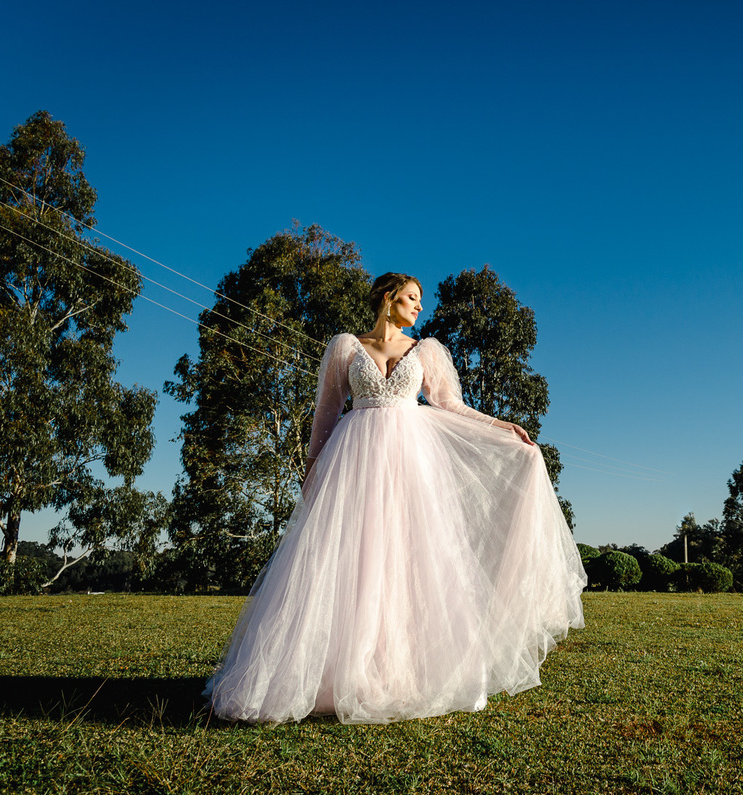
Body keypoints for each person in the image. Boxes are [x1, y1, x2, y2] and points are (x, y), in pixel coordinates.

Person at [204, 272, 586, 724]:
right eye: (411, 298)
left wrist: (502, 427)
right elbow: (326, 411)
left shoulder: (425, 351)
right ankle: (340, 676)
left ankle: (407, 673)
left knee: (409, 563)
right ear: (388, 298)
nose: (418, 307)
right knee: (351, 563)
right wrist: (312, 472)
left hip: (410, 467)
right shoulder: (345, 347)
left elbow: (450, 406)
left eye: (419, 301)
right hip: (354, 464)